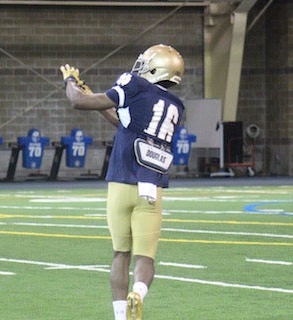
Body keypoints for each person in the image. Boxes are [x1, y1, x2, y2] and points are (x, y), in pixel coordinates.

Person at [60, 44, 185, 320]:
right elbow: (125, 122)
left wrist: (71, 83)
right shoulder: (176, 106)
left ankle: (120, 316)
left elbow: (77, 102)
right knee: (146, 258)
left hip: (121, 182)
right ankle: (138, 294)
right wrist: (95, 97)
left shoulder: (134, 83)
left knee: (121, 254)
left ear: (154, 67)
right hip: (151, 188)